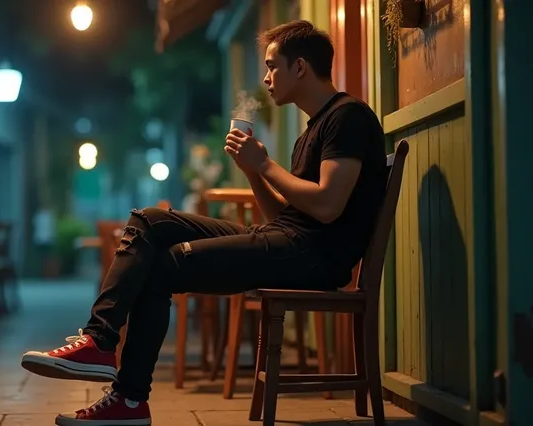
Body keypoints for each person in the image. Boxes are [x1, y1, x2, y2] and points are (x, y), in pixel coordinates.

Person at [21, 20, 387, 426]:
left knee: (160, 268)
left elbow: (328, 206)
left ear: (300, 67)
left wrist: (265, 163)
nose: (265, 78)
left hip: (314, 258)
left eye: (271, 66)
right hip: (288, 240)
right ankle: (99, 340)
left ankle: (127, 399)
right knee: (149, 221)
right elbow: (284, 217)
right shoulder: (312, 130)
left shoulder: (347, 116)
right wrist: (252, 171)